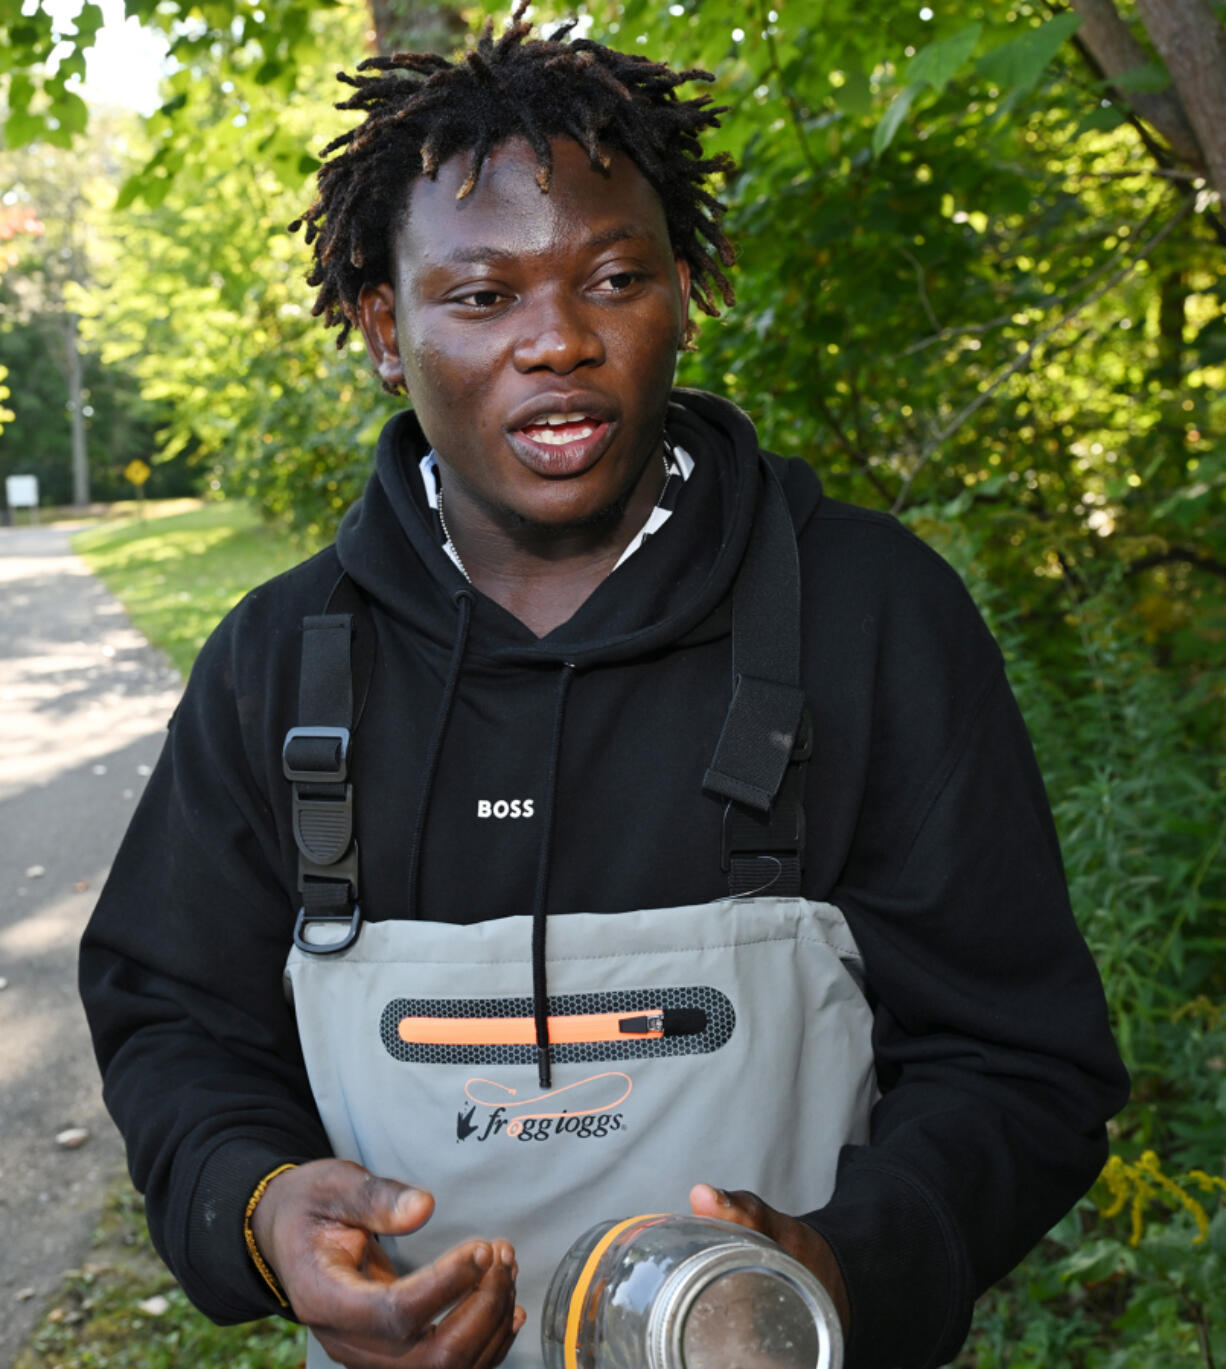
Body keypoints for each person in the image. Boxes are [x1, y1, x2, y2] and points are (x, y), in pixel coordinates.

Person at [79, 13, 1129, 1369]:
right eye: (479, 296)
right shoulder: (278, 665)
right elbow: (173, 1024)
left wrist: (848, 1261)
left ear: (684, 292)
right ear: (381, 329)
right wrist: (261, 1206)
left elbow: (1021, 1062)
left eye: (613, 277)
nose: (554, 339)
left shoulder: (871, 619)